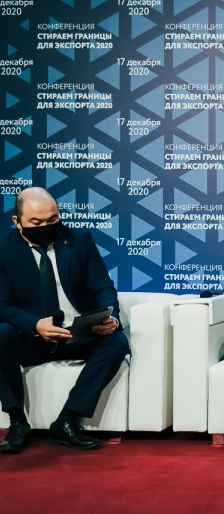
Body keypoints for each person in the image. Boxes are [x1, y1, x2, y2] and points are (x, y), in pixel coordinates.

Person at [0, 187, 128, 454]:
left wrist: (111, 316)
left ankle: (67, 421)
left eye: (52, 219)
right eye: (36, 223)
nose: (46, 227)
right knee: (2, 334)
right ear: (17, 221)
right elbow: (3, 305)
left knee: (116, 342)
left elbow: (102, 287)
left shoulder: (80, 240)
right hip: (31, 338)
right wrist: (35, 325)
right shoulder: (4, 250)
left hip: (75, 335)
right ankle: (17, 422)